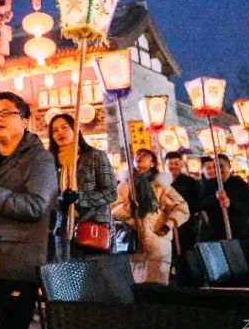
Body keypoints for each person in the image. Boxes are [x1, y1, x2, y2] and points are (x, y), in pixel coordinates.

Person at [0, 92, 58, 329]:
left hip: (18, 266)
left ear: (25, 120)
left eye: (7, 112)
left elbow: (37, 206)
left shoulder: (40, 159)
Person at [111, 149, 190, 284]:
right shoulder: (125, 186)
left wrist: (168, 226)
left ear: (152, 163)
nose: (138, 158)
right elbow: (113, 211)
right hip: (133, 242)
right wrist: (129, 207)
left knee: (156, 283)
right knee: (135, 284)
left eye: (144, 156)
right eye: (137, 155)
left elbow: (182, 208)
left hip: (158, 241)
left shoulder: (161, 186)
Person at [48, 112, 116, 258]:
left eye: (64, 127)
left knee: (95, 276)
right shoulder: (51, 163)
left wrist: (80, 198)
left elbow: (110, 192)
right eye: (55, 130)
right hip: (65, 230)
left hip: (93, 226)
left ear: (75, 129)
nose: (60, 132)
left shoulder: (95, 156)